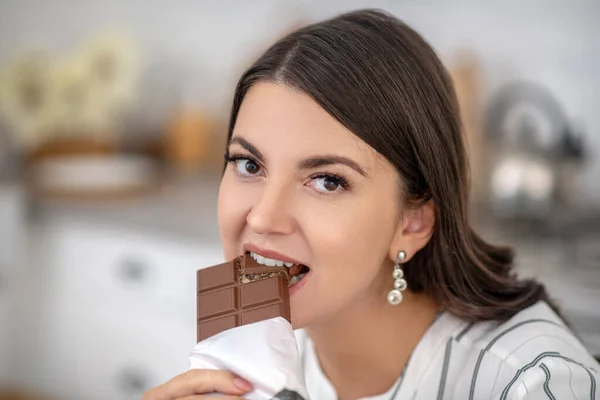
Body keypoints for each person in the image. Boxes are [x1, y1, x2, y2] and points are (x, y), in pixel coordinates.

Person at [144, 9, 599, 400]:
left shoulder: (533, 382)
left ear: (413, 223)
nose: (262, 217)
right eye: (248, 164)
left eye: (326, 180)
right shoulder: (247, 335)